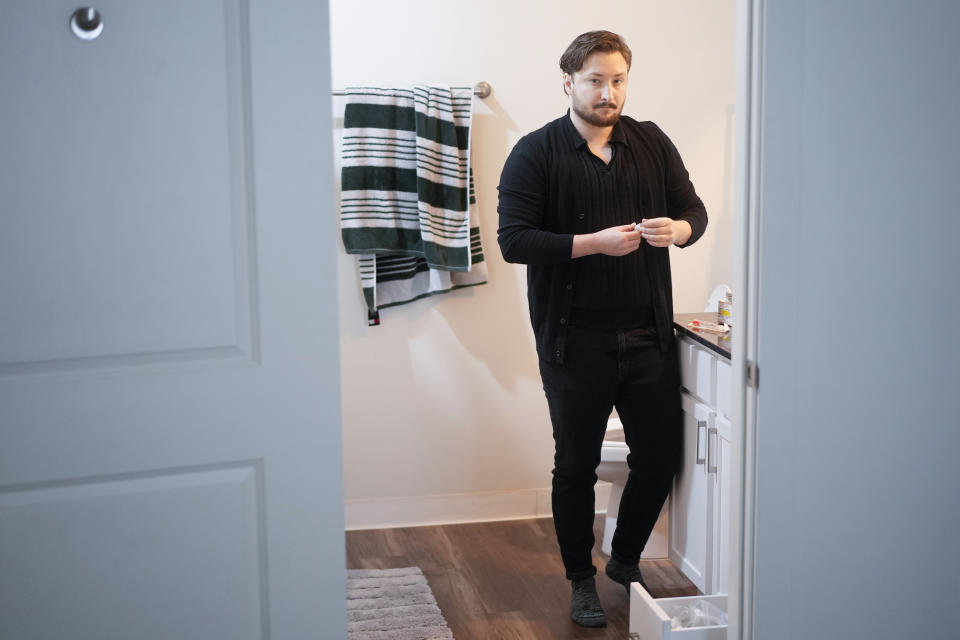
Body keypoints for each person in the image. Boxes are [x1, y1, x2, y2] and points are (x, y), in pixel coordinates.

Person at [496, 30, 708, 628]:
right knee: (577, 466)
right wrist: (595, 245)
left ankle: (624, 558)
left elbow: (694, 210)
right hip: (573, 342)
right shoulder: (536, 152)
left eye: (617, 80)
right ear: (568, 83)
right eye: (594, 80)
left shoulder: (650, 141)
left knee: (661, 456)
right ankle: (580, 580)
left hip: (647, 335)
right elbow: (514, 241)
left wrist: (679, 232)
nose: (607, 92)